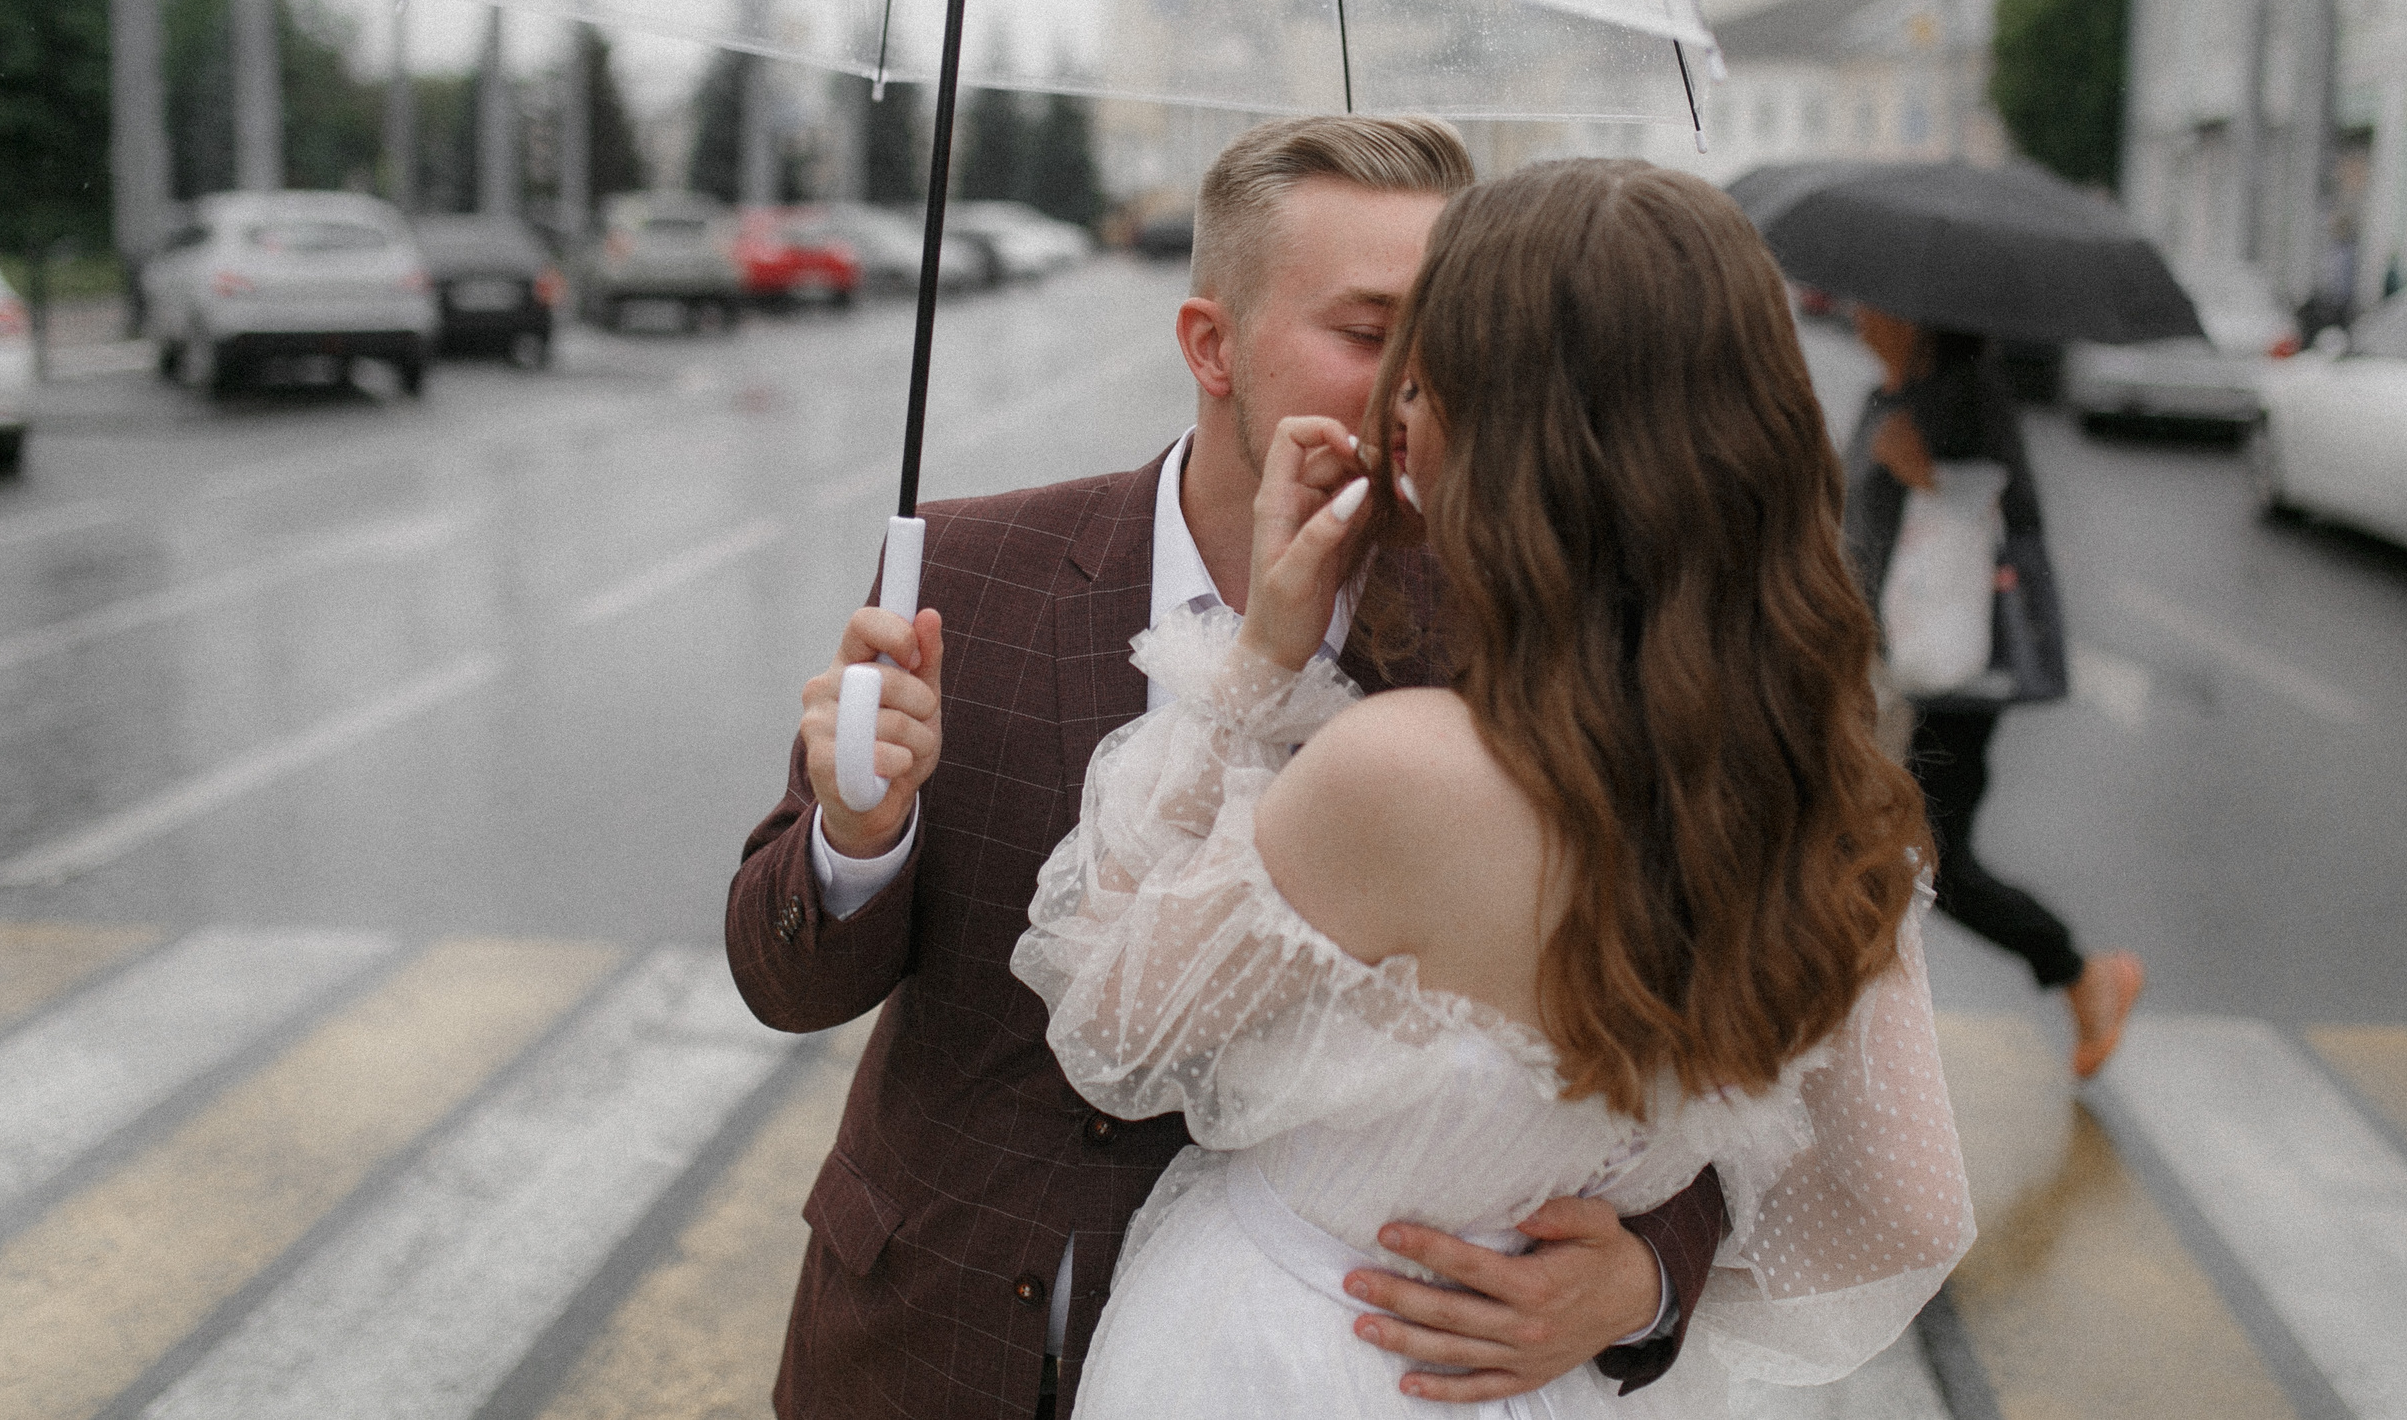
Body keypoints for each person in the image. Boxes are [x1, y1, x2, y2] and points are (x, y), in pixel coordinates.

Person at [727, 117, 1728, 1420]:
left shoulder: (1515, 638)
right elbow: (784, 979)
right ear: (1211, 343)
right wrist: (858, 832)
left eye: (1458, 339)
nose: (1425, 389)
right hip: (923, 1344)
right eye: (1372, 335)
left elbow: (1704, 1029)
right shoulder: (969, 576)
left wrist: (1643, 1277)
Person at [1014, 159, 1975, 1416]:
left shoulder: (1403, 775)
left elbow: (1109, 1024)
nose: (1396, 407)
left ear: (1502, 425)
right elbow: (1908, 1205)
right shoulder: (1829, 807)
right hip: (1537, 1381)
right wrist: (1639, 1290)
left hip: (1285, 1359)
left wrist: (1254, 670)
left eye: (1423, 370)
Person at [1842, 307, 2145, 1078]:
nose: (1859, 309)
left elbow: (2020, 521)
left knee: (1933, 861)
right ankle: (1850, 1039)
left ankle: (2082, 973)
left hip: (1953, 679)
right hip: (1887, 672)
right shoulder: (1886, 398)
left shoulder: (1969, 397)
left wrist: (1931, 479)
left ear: (1916, 320)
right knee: (1877, 854)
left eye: (1877, 300)